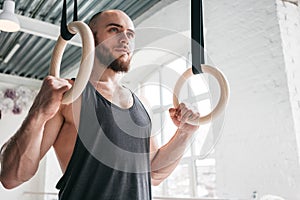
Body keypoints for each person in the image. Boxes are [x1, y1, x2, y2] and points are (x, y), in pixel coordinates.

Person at [0, 10, 200, 200]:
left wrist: (185, 133)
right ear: (90, 39)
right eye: (114, 30)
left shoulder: (142, 104)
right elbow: (11, 177)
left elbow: (154, 172)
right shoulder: (68, 96)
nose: (125, 39)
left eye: (130, 34)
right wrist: (38, 113)